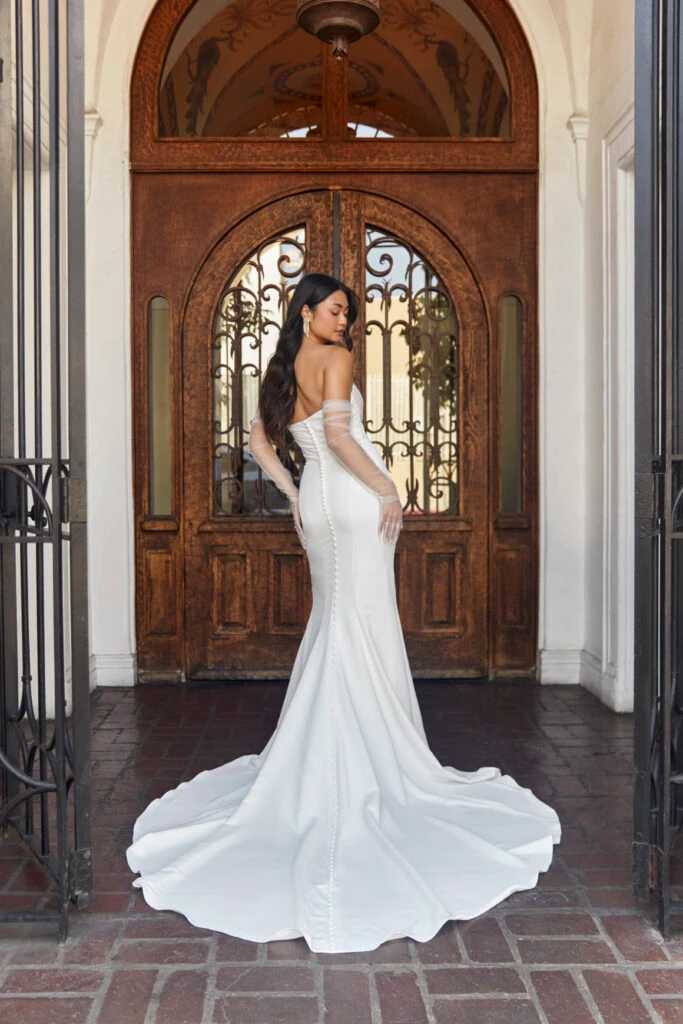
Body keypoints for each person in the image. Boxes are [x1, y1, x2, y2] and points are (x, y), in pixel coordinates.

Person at [126, 273, 560, 954]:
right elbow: (342, 436)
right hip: (355, 504)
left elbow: (259, 444)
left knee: (337, 625)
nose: (347, 322)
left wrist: (296, 492)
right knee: (360, 624)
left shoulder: (284, 366)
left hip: (318, 510)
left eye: (350, 314)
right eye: (336, 310)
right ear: (308, 309)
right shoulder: (335, 360)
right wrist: (388, 487)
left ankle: (324, 758)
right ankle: (369, 765)